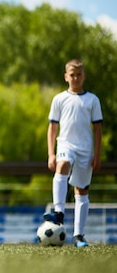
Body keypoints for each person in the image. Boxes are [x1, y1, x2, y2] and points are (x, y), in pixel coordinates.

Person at [44, 59, 103, 247]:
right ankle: (59, 212)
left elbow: (98, 129)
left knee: (81, 190)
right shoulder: (59, 99)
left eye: (79, 74)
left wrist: (97, 155)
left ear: (84, 76)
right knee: (62, 165)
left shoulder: (92, 100)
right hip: (65, 145)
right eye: (72, 74)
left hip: (85, 150)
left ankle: (79, 236)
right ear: (66, 77)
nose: (75, 78)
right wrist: (51, 154)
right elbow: (52, 128)